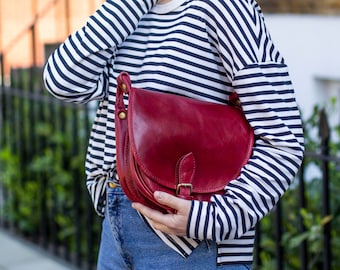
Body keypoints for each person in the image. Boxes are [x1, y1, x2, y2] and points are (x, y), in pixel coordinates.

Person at [43, 0, 304, 269]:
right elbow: (64, 82)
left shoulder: (225, 8)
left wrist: (211, 218)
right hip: (115, 225)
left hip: (191, 244)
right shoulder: (127, 14)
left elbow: (284, 141)